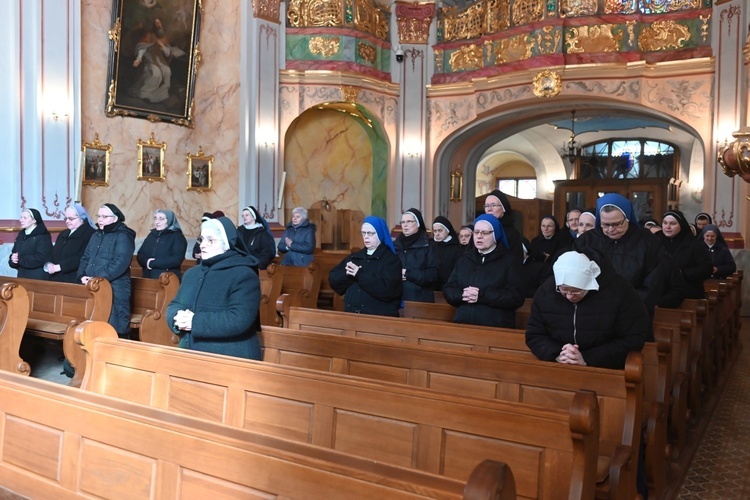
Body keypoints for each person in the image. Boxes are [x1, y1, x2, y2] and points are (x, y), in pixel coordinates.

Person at [525, 249, 649, 369]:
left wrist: (588, 358)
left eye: (576, 291)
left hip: (605, 370)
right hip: (557, 365)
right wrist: (558, 354)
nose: (569, 296)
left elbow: (633, 339)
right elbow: (535, 334)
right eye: (563, 291)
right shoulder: (546, 291)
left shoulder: (620, 292)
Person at [167, 216, 261, 359]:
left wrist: (194, 322)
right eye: (201, 239)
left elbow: (239, 319)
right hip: (189, 355)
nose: (203, 245)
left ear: (227, 244)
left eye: (210, 240)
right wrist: (176, 318)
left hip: (229, 358)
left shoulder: (244, 274)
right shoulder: (192, 273)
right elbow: (174, 305)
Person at [574, 193, 665, 313]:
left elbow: (653, 283)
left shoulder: (647, 241)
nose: (611, 229)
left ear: (627, 217)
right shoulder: (586, 241)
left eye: (617, 224)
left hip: (633, 310)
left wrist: (624, 304)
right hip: (592, 310)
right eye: (605, 225)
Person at [442, 214, 524, 327]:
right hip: (463, 324)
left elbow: (516, 298)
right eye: (476, 232)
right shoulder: (464, 260)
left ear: (496, 234)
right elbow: (448, 289)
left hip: (495, 327)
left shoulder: (509, 262)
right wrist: (462, 294)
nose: (479, 236)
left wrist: (482, 295)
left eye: (485, 233)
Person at [77, 204, 136, 338]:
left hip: (115, 286)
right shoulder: (96, 234)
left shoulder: (123, 235)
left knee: (116, 324)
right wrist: (82, 276)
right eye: (99, 216)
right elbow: (86, 257)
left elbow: (120, 262)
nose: (100, 219)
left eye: (104, 216)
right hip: (95, 284)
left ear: (115, 218)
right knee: (95, 323)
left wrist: (96, 278)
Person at [328, 216, 403, 316]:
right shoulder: (355, 257)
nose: (366, 237)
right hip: (351, 316)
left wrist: (359, 274)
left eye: (370, 233)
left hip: (377, 319)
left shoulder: (391, 260)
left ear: (380, 234)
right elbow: (334, 280)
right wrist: (349, 276)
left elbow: (388, 291)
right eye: (363, 233)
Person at [655, 210, 713, 307]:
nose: (667, 227)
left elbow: (707, 269)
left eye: (672, 223)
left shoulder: (694, 245)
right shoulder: (655, 241)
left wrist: (683, 273)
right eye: (665, 223)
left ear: (681, 225)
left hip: (688, 295)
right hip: (660, 296)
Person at [128, 17, 187, 103]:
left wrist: (162, 47)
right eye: (148, 36)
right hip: (149, 63)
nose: (150, 37)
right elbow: (141, 52)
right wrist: (138, 60)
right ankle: (145, 93)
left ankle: (161, 95)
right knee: (156, 72)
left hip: (159, 61)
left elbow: (167, 52)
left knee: (167, 70)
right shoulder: (143, 44)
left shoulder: (157, 40)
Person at [394, 208, 439, 302]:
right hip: (397, 297)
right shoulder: (395, 245)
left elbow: (433, 274)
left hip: (420, 298)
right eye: (402, 222)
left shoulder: (429, 245)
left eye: (409, 221)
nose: (405, 225)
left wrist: (408, 274)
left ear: (418, 224)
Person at [45, 204, 97, 283]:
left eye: (71, 219)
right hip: (55, 278)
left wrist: (60, 267)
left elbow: (83, 256)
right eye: (66, 218)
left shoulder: (90, 233)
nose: (67, 221)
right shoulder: (64, 233)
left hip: (73, 279)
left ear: (82, 218)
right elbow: (53, 252)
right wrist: (49, 264)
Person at [136, 209, 188, 280]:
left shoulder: (177, 237)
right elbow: (140, 254)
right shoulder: (152, 235)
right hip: (147, 277)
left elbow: (177, 259)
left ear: (169, 220)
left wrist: (152, 263)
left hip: (167, 279)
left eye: (161, 219)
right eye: (155, 218)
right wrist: (146, 262)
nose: (157, 222)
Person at [9, 208, 53, 279]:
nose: (21, 220)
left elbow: (42, 258)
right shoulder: (21, 236)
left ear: (34, 220)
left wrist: (19, 260)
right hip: (22, 275)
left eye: (25, 218)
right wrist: (13, 259)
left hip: (37, 277)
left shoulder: (43, 236)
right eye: (21, 217)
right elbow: (14, 253)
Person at [483, 189, 523, 262]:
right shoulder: (479, 230)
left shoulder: (512, 234)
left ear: (503, 208)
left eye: (494, 205)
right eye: (486, 206)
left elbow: (516, 261)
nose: (489, 209)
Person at [430, 216, 463, 291]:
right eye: (435, 231)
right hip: (431, 287)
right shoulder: (430, 246)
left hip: (449, 288)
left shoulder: (457, 250)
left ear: (447, 230)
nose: (437, 234)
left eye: (440, 230)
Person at [237, 206, 276, 270]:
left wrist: (259, 265)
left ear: (254, 217)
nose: (244, 217)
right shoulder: (239, 231)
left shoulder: (262, 232)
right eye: (243, 216)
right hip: (241, 265)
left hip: (255, 266)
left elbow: (266, 252)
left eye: (247, 215)